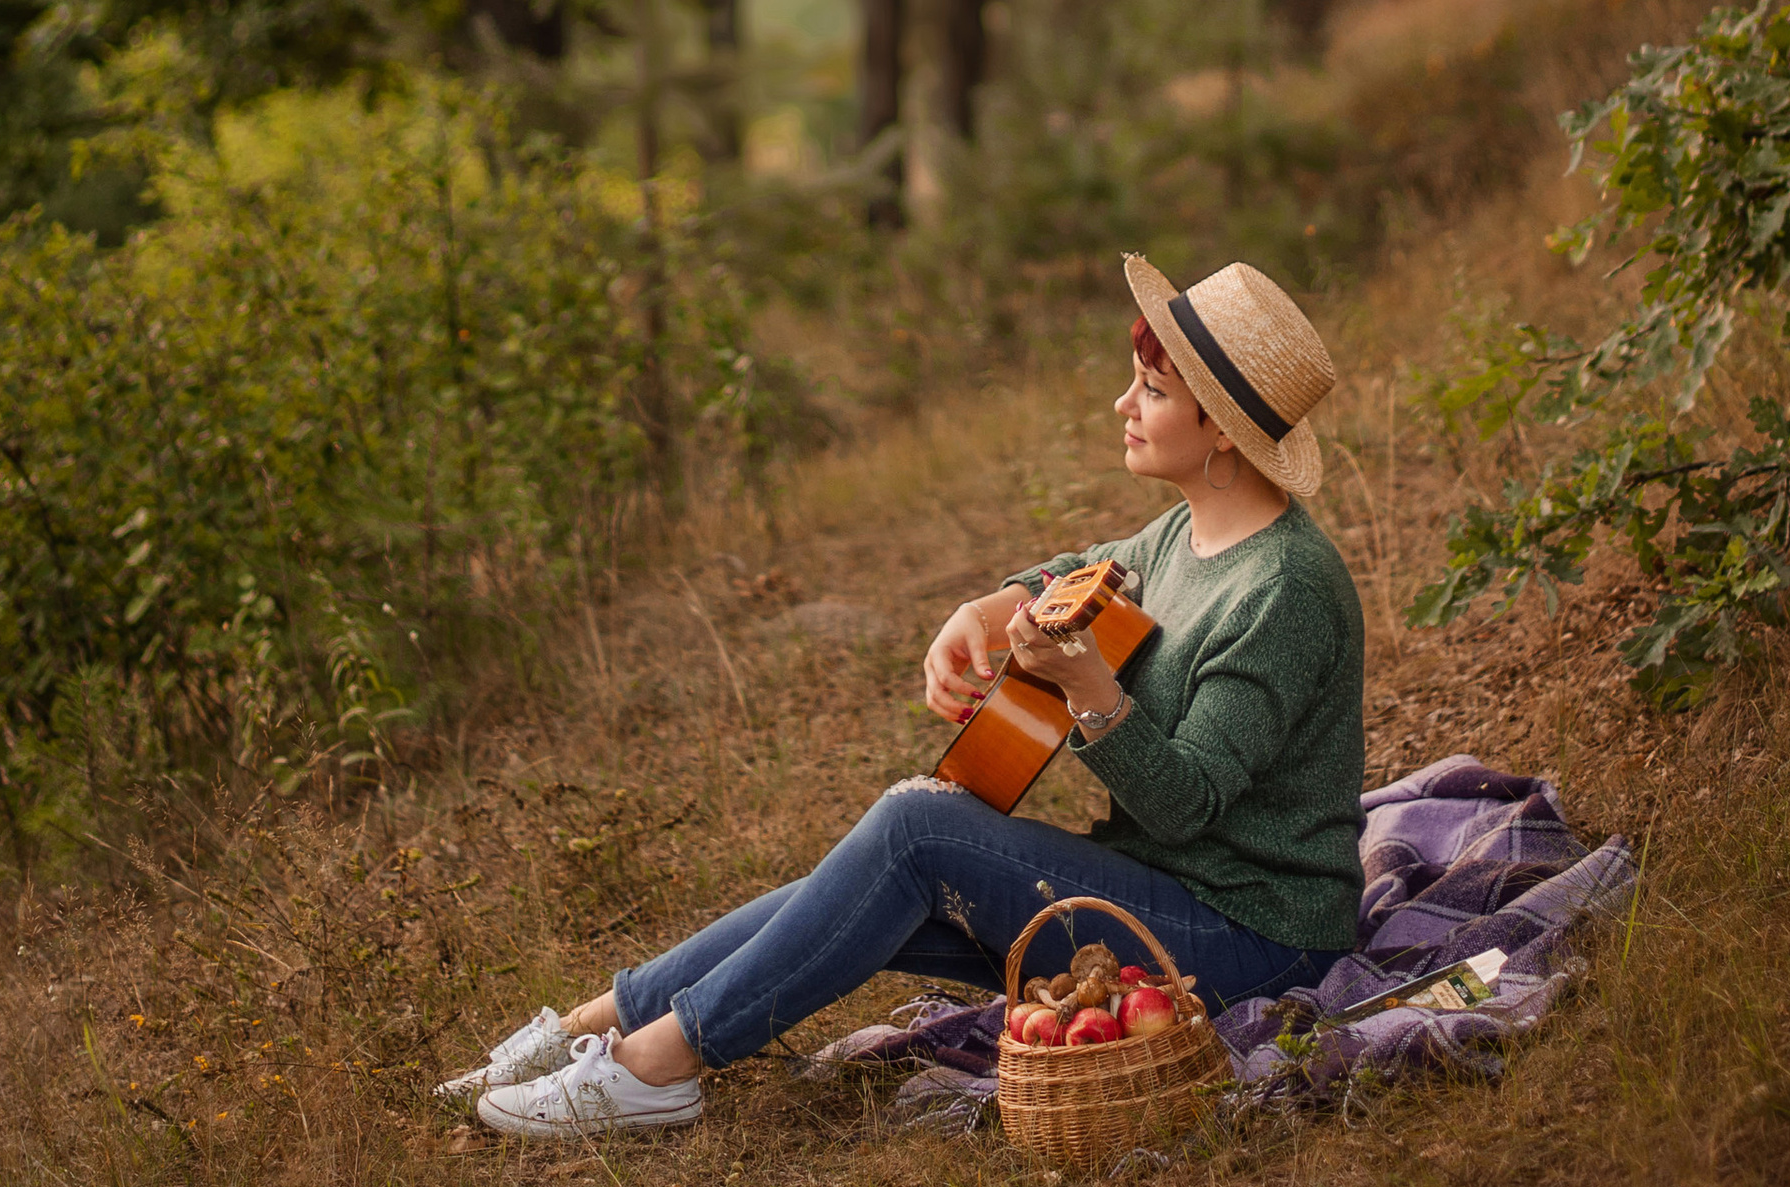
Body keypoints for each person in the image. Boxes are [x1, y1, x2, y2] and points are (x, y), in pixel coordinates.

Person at [441, 254, 1366, 1137]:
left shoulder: (1285, 587)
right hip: (1168, 896)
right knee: (865, 880)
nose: (1123, 405)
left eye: (1153, 392)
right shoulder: (1183, 532)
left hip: (1252, 941)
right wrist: (992, 602)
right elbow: (1089, 571)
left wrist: (1088, 688)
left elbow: (1186, 805)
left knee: (916, 830)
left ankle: (656, 1070)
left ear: (1221, 431)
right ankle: (586, 1028)